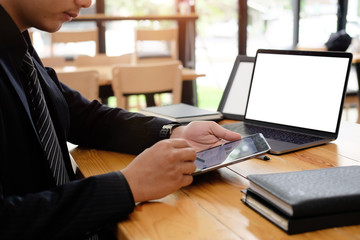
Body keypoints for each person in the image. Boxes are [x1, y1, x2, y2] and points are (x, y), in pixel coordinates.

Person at [0, 0, 241, 239]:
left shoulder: (19, 45)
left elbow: (82, 116)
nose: (86, 2)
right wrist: (127, 185)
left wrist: (173, 132)